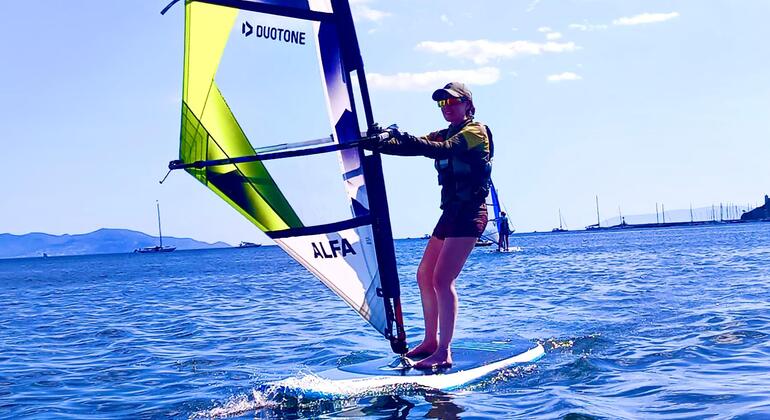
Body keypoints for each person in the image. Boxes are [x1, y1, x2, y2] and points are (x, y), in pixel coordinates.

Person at [368, 82, 493, 370]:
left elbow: (441, 149)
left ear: (467, 104)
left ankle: (444, 352)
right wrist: (380, 143)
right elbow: (412, 147)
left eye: (453, 102)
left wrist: (404, 136)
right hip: (451, 213)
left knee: (442, 280)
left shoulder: (475, 132)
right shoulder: (443, 133)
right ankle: (430, 342)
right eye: (442, 103)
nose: (447, 107)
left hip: (470, 214)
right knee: (424, 275)